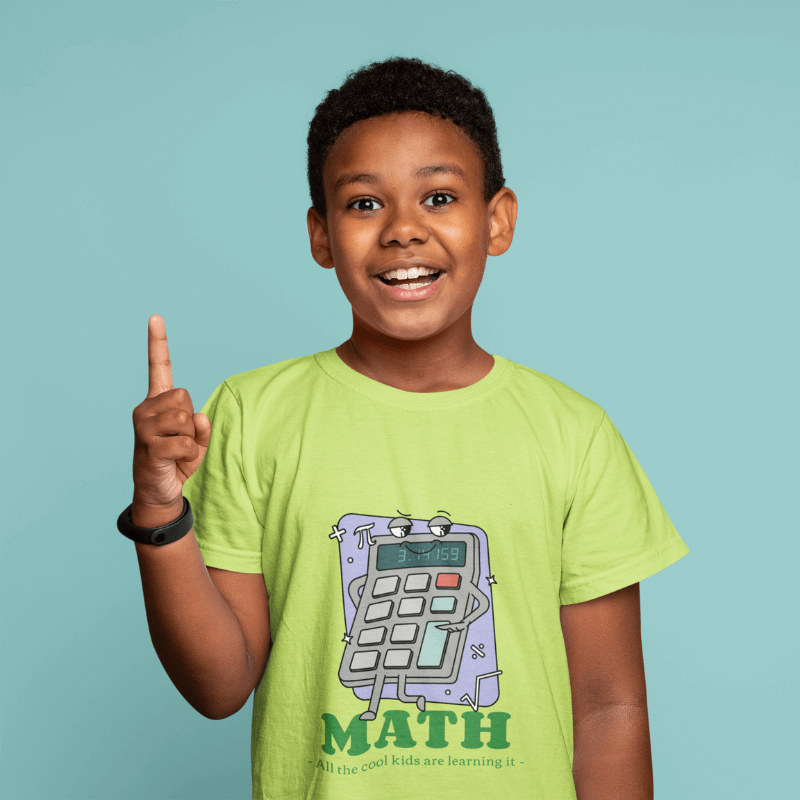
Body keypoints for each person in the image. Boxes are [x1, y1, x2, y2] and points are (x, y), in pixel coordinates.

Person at [121, 56, 689, 800]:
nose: (402, 232)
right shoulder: (250, 415)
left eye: (440, 196)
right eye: (363, 205)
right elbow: (219, 686)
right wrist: (161, 512)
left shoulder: (572, 432)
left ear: (497, 220)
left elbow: (610, 706)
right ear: (321, 236)